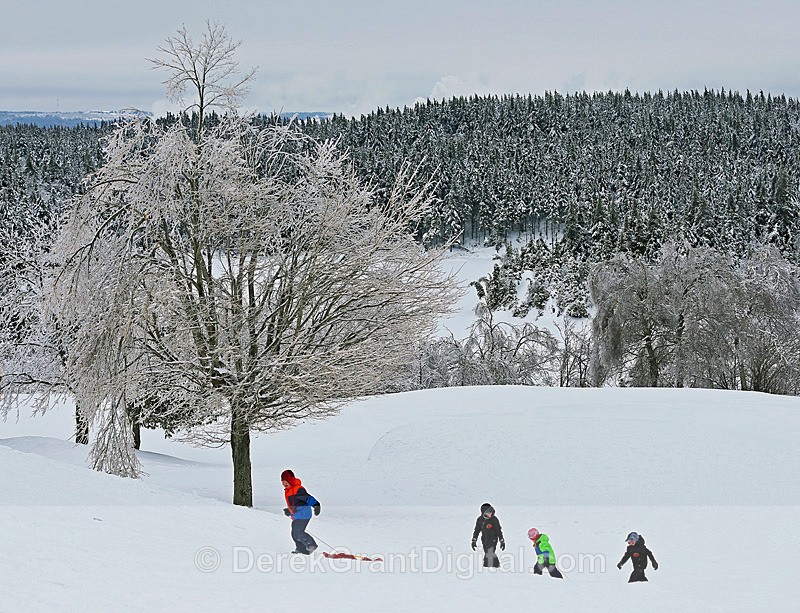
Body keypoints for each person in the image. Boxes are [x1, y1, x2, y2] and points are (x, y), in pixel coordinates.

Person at [281, 469, 321, 555]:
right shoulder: (288, 490)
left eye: (285, 481)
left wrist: (316, 505)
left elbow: (307, 498)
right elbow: (295, 503)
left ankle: (311, 545)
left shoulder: (298, 489)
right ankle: (301, 549)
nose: (284, 484)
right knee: (294, 534)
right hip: (297, 515)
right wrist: (289, 510)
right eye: (282, 482)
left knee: (298, 532)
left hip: (304, 514)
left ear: (290, 480)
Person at [471, 503, 505, 568]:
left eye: (491, 512)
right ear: (484, 513)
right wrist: (474, 540)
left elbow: (498, 530)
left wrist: (501, 540)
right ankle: (492, 566)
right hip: (484, 539)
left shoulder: (494, 519)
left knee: (490, 552)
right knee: (487, 552)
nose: (490, 514)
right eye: (488, 512)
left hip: (493, 539)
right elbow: (477, 530)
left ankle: (490, 566)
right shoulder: (480, 520)